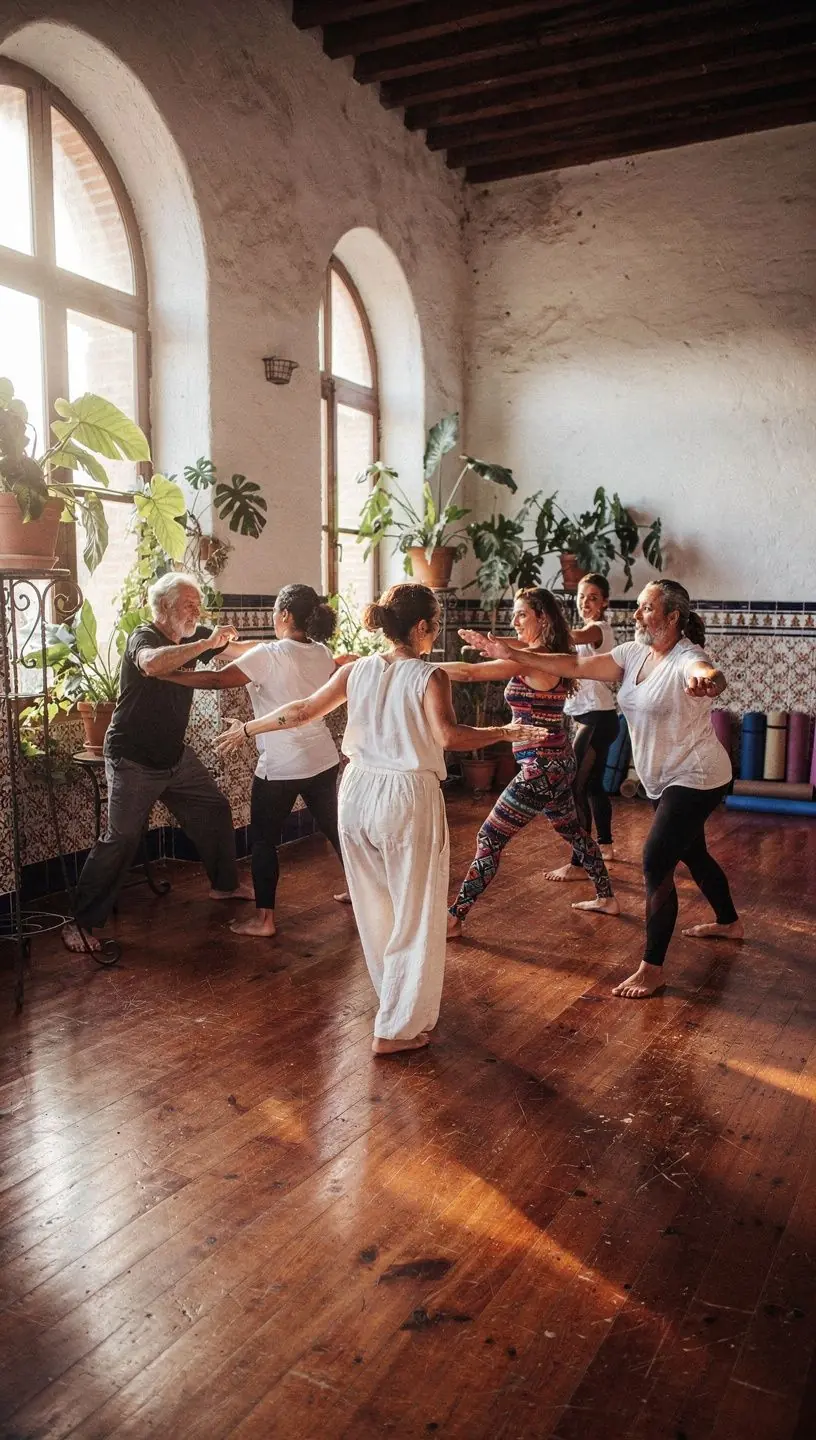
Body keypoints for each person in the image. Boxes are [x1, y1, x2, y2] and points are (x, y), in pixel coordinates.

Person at [214, 583, 540, 1055]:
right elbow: (448, 738)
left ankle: (394, 1006)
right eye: (437, 621)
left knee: (375, 908)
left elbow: (304, 711)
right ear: (423, 626)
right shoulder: (430, 677)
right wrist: (505, 732)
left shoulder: (357, 669)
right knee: (416, 912)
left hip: (358, 791)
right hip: (406, 796)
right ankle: (398, 1028)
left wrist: (250, 727)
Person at [462, 579, 741, 998]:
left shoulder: (688, 657)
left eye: (647, 608)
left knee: (655, 859)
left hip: (698, 775)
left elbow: (706, 673)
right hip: (662, 777)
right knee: (692, 851)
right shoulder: (632, 653)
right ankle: (729, 922)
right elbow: (572, 666)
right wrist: (512, 652)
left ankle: (653, 967)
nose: (636, 615)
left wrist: (710, 682)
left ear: (672, 618)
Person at [62, 573, 251, 954]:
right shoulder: (144, 637)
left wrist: (290, 649)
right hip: (132, 758)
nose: (196, 611)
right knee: (122, 838)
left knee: (213, 808)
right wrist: (205, 643)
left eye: (198, 604)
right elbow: (151, 665)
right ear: (164, 607)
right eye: (188, 604)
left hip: (174, 757)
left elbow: (240, 650)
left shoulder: (193, 637)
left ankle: (224, 885)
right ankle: (80, 924)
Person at [160, 583, 354, 937]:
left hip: (282, 766)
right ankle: (361, 893)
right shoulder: (322, 652)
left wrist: (166, 672)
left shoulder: (270, 654)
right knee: (334, 829)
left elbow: (219, 681)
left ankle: (265, 921)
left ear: (282, 615)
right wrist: (210, 643)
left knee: (264, 841)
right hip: (322, 759)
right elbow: (243, 655)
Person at [441, 587, 619, 938]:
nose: (515, 621)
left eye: (522, 614)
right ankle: (607, 897)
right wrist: (487, 641)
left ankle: (454, 916)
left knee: (489, 837)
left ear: (543, 618)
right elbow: (512, 646)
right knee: (572, 831)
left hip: (541, 768)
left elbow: (468, 673)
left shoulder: (533, 659)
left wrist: (412, 666)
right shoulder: (546, 654)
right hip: (554, 762)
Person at [546, 572, 619, 881]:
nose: (586, 602)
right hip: (591, 718)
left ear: (604, 603)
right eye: (581, 597)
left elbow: (574, 637)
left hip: (597, 719)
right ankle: (605, 845)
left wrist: (545, 624)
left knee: (574, 785)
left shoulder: (598, 629)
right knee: (592, 786)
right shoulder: (583, 633)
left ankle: (579, 863)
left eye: (592, 597)